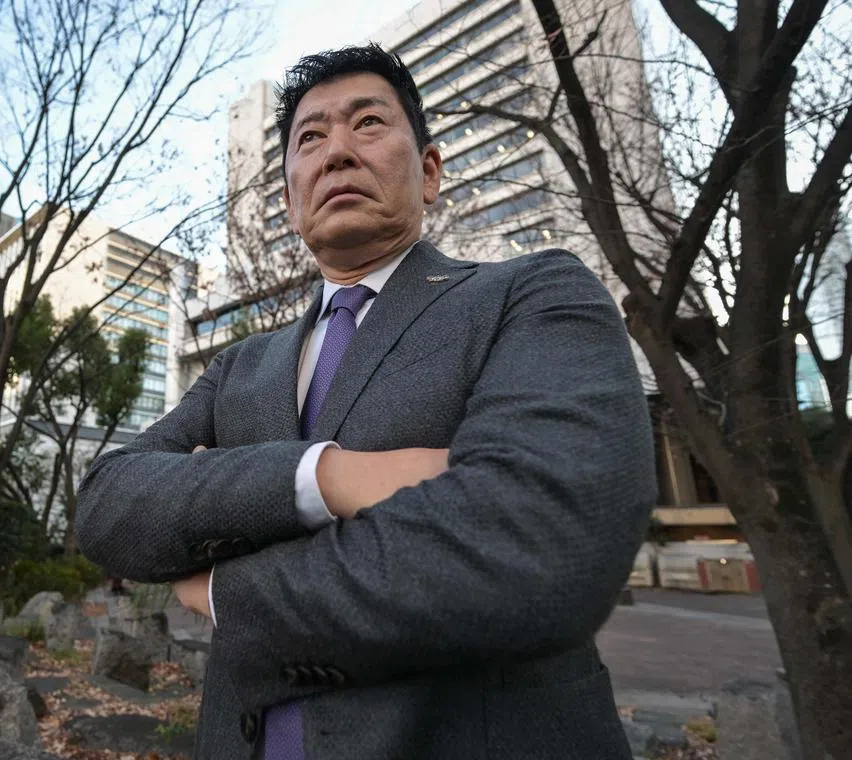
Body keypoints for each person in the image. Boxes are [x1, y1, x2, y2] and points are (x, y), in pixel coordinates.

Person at [77, 44, 655, 760]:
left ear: (432, 171)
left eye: (369, 123)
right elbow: (107, 501)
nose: (338, 151)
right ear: (288, 200)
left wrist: (228, 587)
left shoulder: (532, 296)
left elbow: (543, 544)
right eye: (310, 137)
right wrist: (330, 477)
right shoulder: (240, 368)